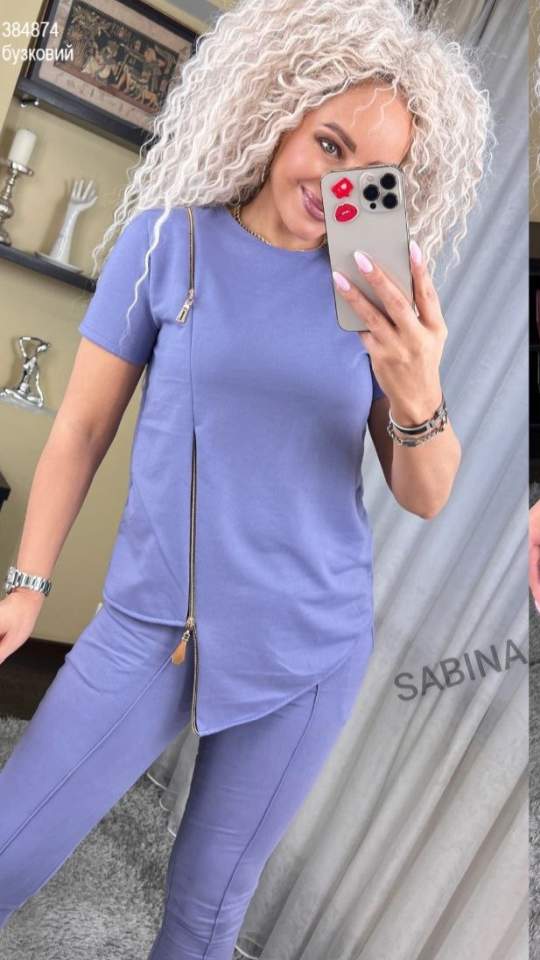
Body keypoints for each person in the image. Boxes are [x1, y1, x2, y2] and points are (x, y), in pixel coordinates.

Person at [0, 0, 491, 956]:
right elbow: (84, 429)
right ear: (277, 113)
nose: (338, 185)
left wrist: (417, 386)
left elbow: (426, 492)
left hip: (310, 643)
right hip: (153, 625)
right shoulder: (166, 242)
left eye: (372, 173)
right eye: (329, 143)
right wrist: (28, 582)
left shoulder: (374, 291)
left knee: (206, 912)